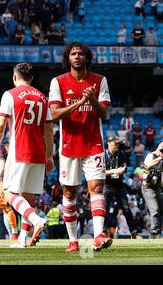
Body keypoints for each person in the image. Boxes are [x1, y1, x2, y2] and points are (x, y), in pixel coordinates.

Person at [49, 42, 112, 252]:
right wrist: (79, 102)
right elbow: (55, 114)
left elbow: (104, 114)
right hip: (68, 146)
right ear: (68, 58)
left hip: (93, 144)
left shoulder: (100, 81)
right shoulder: (58, 82)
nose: (77, 56)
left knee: (97, 187)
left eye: (80, 53)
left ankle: (98, 235)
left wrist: (92, 98)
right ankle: (73, 240)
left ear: (86, 57)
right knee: (69, 193)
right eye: (73, 53)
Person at [0, 62, 53, 248]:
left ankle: (36, 220)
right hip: (39, 152)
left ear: (14, 77)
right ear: (32, 79)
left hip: (20, 150)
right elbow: (49, 130)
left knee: (8, 193)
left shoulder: (10, 94)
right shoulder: (43, 98)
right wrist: (49, 156)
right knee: (28, 198)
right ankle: (22, 238)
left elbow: (1, 125)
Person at [104, 136, 137, 237]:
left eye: (118, 143)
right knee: (103, 209)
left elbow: (124, 166)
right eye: (115, 143)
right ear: (109, 143)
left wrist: (123, 170)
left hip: (119, 185)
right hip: (107, 185)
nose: (117, 145)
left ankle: (133, 232)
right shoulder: (102, 156)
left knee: (126, 208)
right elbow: (100, 172)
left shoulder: (121, 154)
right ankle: (102, 232)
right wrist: (114, 171)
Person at [142, 142, 163, 238]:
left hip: (157, 187)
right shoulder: (151, 156)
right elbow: (146, 167)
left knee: (161, 209)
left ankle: (156, 231)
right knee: (155, 209)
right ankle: (155, 232)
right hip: (148, 186)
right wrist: (159, 159)